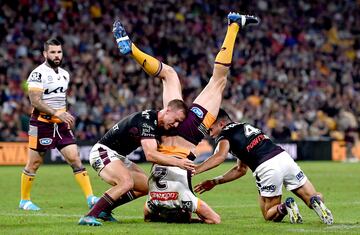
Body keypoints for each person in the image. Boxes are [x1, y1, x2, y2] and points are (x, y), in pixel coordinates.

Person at [111, 12, 259, 223]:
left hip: (188, 135)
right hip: (168, 129)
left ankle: (234, 26)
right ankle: (132, 48)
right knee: (169, 74)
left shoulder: (183, 201)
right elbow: (147, 216)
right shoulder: (151, 205)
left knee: (217, 80)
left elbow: (209, 218)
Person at [194, 108, 334, 225]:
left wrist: (195, 169)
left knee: (269, 213)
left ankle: (286, 206)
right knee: (312, 196)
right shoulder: (245, 126)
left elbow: (220, 156)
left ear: (221, 123)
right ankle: (316, 201)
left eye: (210, 129)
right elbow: (240, 170)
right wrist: (214, 181)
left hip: (266, 167)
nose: (209, 133)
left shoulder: (224, 135)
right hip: (284, 158)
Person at [78, 100, 196, 226]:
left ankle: (104, 209)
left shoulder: (158, 125)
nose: (176, 125)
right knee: (126, 183)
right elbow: (150, 154)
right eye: (176, 120)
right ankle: (89, 216)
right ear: (168, 110)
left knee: (147, 186)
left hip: (119, 156)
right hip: (102, 151)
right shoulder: (147, 121)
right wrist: (178, 163)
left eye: (179, 122)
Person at [20, 38, 98, 211]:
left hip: (60, 124)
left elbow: (59, 99)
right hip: (41, 124)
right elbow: (35, 101)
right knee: (34, 164)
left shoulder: (65, 74)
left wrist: (64, 113)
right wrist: (57, 113)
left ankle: (91, 198)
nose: (56, 55)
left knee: (75, 158)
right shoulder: (37, 74)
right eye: (53, 52)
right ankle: (24, 200)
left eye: (59, 52)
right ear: (45, 54)